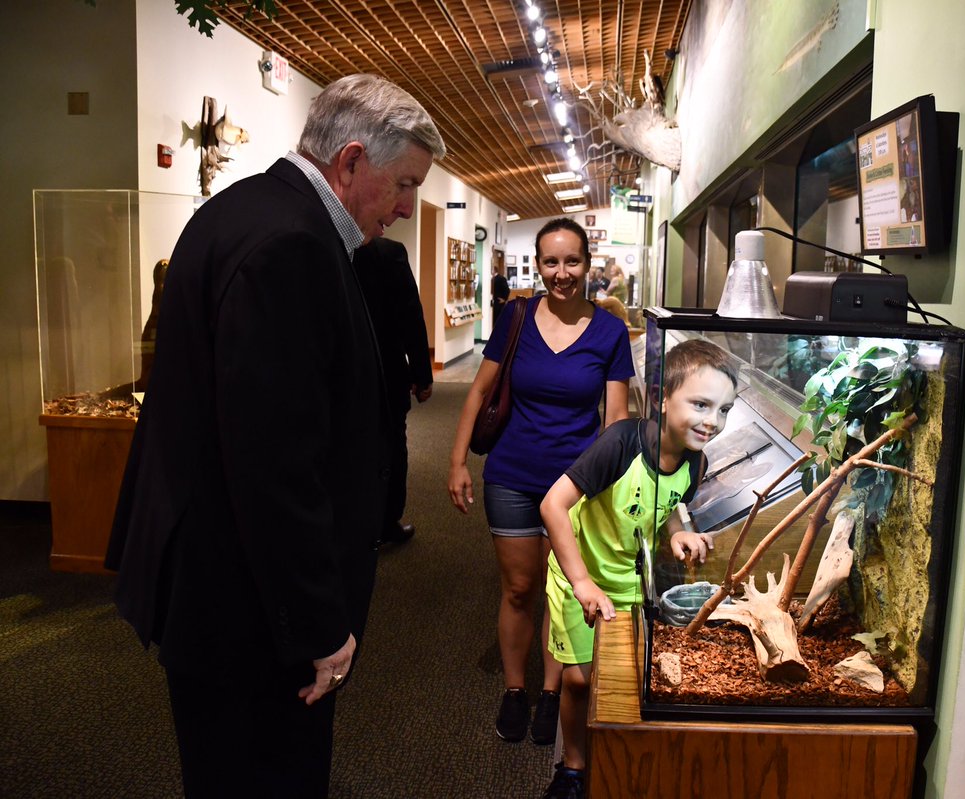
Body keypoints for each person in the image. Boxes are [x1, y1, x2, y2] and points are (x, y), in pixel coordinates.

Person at [104, 74, 444, 798]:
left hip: (215, 588)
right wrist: (318, 624)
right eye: (405, 183)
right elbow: (273, 464)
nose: (409, 206)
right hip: (250, 614)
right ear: (351, 162)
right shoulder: (293, 243)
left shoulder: (238, 210)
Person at [447, 217, 634, 746]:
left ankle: (551, 691)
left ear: (587, 265)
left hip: (572, 486)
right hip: (510, 474)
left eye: (571, 261)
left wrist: (606, 487)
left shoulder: (609, 331)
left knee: (563, 592)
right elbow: (479, 393)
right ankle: (514, 689)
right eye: (550, 262)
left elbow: (616, 420)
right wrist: (458, 461)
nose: (561, 273)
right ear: (538, 263)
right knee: (519, 588)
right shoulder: (516, 317)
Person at [538, 339, 739, 798]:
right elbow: (553, 505)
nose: (713, 421)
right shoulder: (622, 442)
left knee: (620, 675)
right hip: (579, 573)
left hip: (629, 580)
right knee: (578, 677)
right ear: (663, 399)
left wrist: (676, 533)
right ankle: (572, 766)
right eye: (701, 404)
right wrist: (582, 581)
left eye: (724, 409)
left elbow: (665, 502)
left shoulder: (696, 460)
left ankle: (614, 758)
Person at [354, 236, 434, 545]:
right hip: (386, 370)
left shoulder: (326, 245)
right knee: (390, 447)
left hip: (338, 370)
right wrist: (422, 374)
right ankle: (387, 522)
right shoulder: (388, 252)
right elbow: (410, 315)